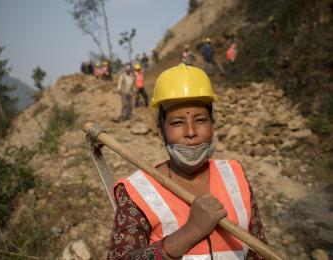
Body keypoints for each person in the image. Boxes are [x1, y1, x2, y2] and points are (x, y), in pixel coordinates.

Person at [107, 64, 266, 259]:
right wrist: (190, 232)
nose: (191, 132)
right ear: (161, 131)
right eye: (177, 123)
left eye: (200, 120)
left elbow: (258, 249)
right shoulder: (138, 191)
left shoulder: (235, 175)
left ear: (213, 125)